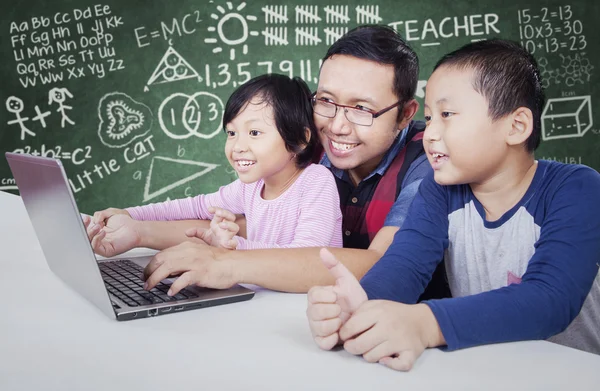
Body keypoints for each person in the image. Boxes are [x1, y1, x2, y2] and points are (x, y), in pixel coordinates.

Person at [306, 38, 600, 371]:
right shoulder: (440, 189)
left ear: (516, 126)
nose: (430, 134)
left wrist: (426, 323)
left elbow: (550, 300)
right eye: (430, 118)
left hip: (577, 377)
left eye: (447, 115)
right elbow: (404, 268)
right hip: (484, 374)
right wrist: (361, 304)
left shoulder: (576, 187)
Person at [86, 25, 446, 296]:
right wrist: (135, 229)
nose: (337, 125)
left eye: (362, 109)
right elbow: (238, 223)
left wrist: (226, 261)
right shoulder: (306, 142)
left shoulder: (425, 160)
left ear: (404, 114)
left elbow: (379, 264)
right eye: (326, 101)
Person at [90, 73, 343, 264]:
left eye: (254, 132)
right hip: (266, 297)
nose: (237, 146)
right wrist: (129, 214)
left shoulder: (316, 182)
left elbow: (307, 258)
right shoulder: (252, 187)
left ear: (299, 139)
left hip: (306, 305)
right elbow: (195, 206)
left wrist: (232, 246)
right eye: (232, 133)